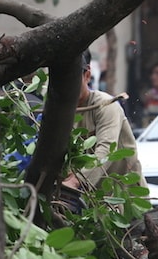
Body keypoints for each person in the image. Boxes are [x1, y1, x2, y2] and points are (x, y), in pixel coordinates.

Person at [62, 50, 147, 192]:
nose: (66, 85)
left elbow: (106, 150)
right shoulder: (60, 110)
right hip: (88, 200)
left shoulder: (106, 106)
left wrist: (76, 182)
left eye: (72, 78)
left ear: (87, 75)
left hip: (123, 195)